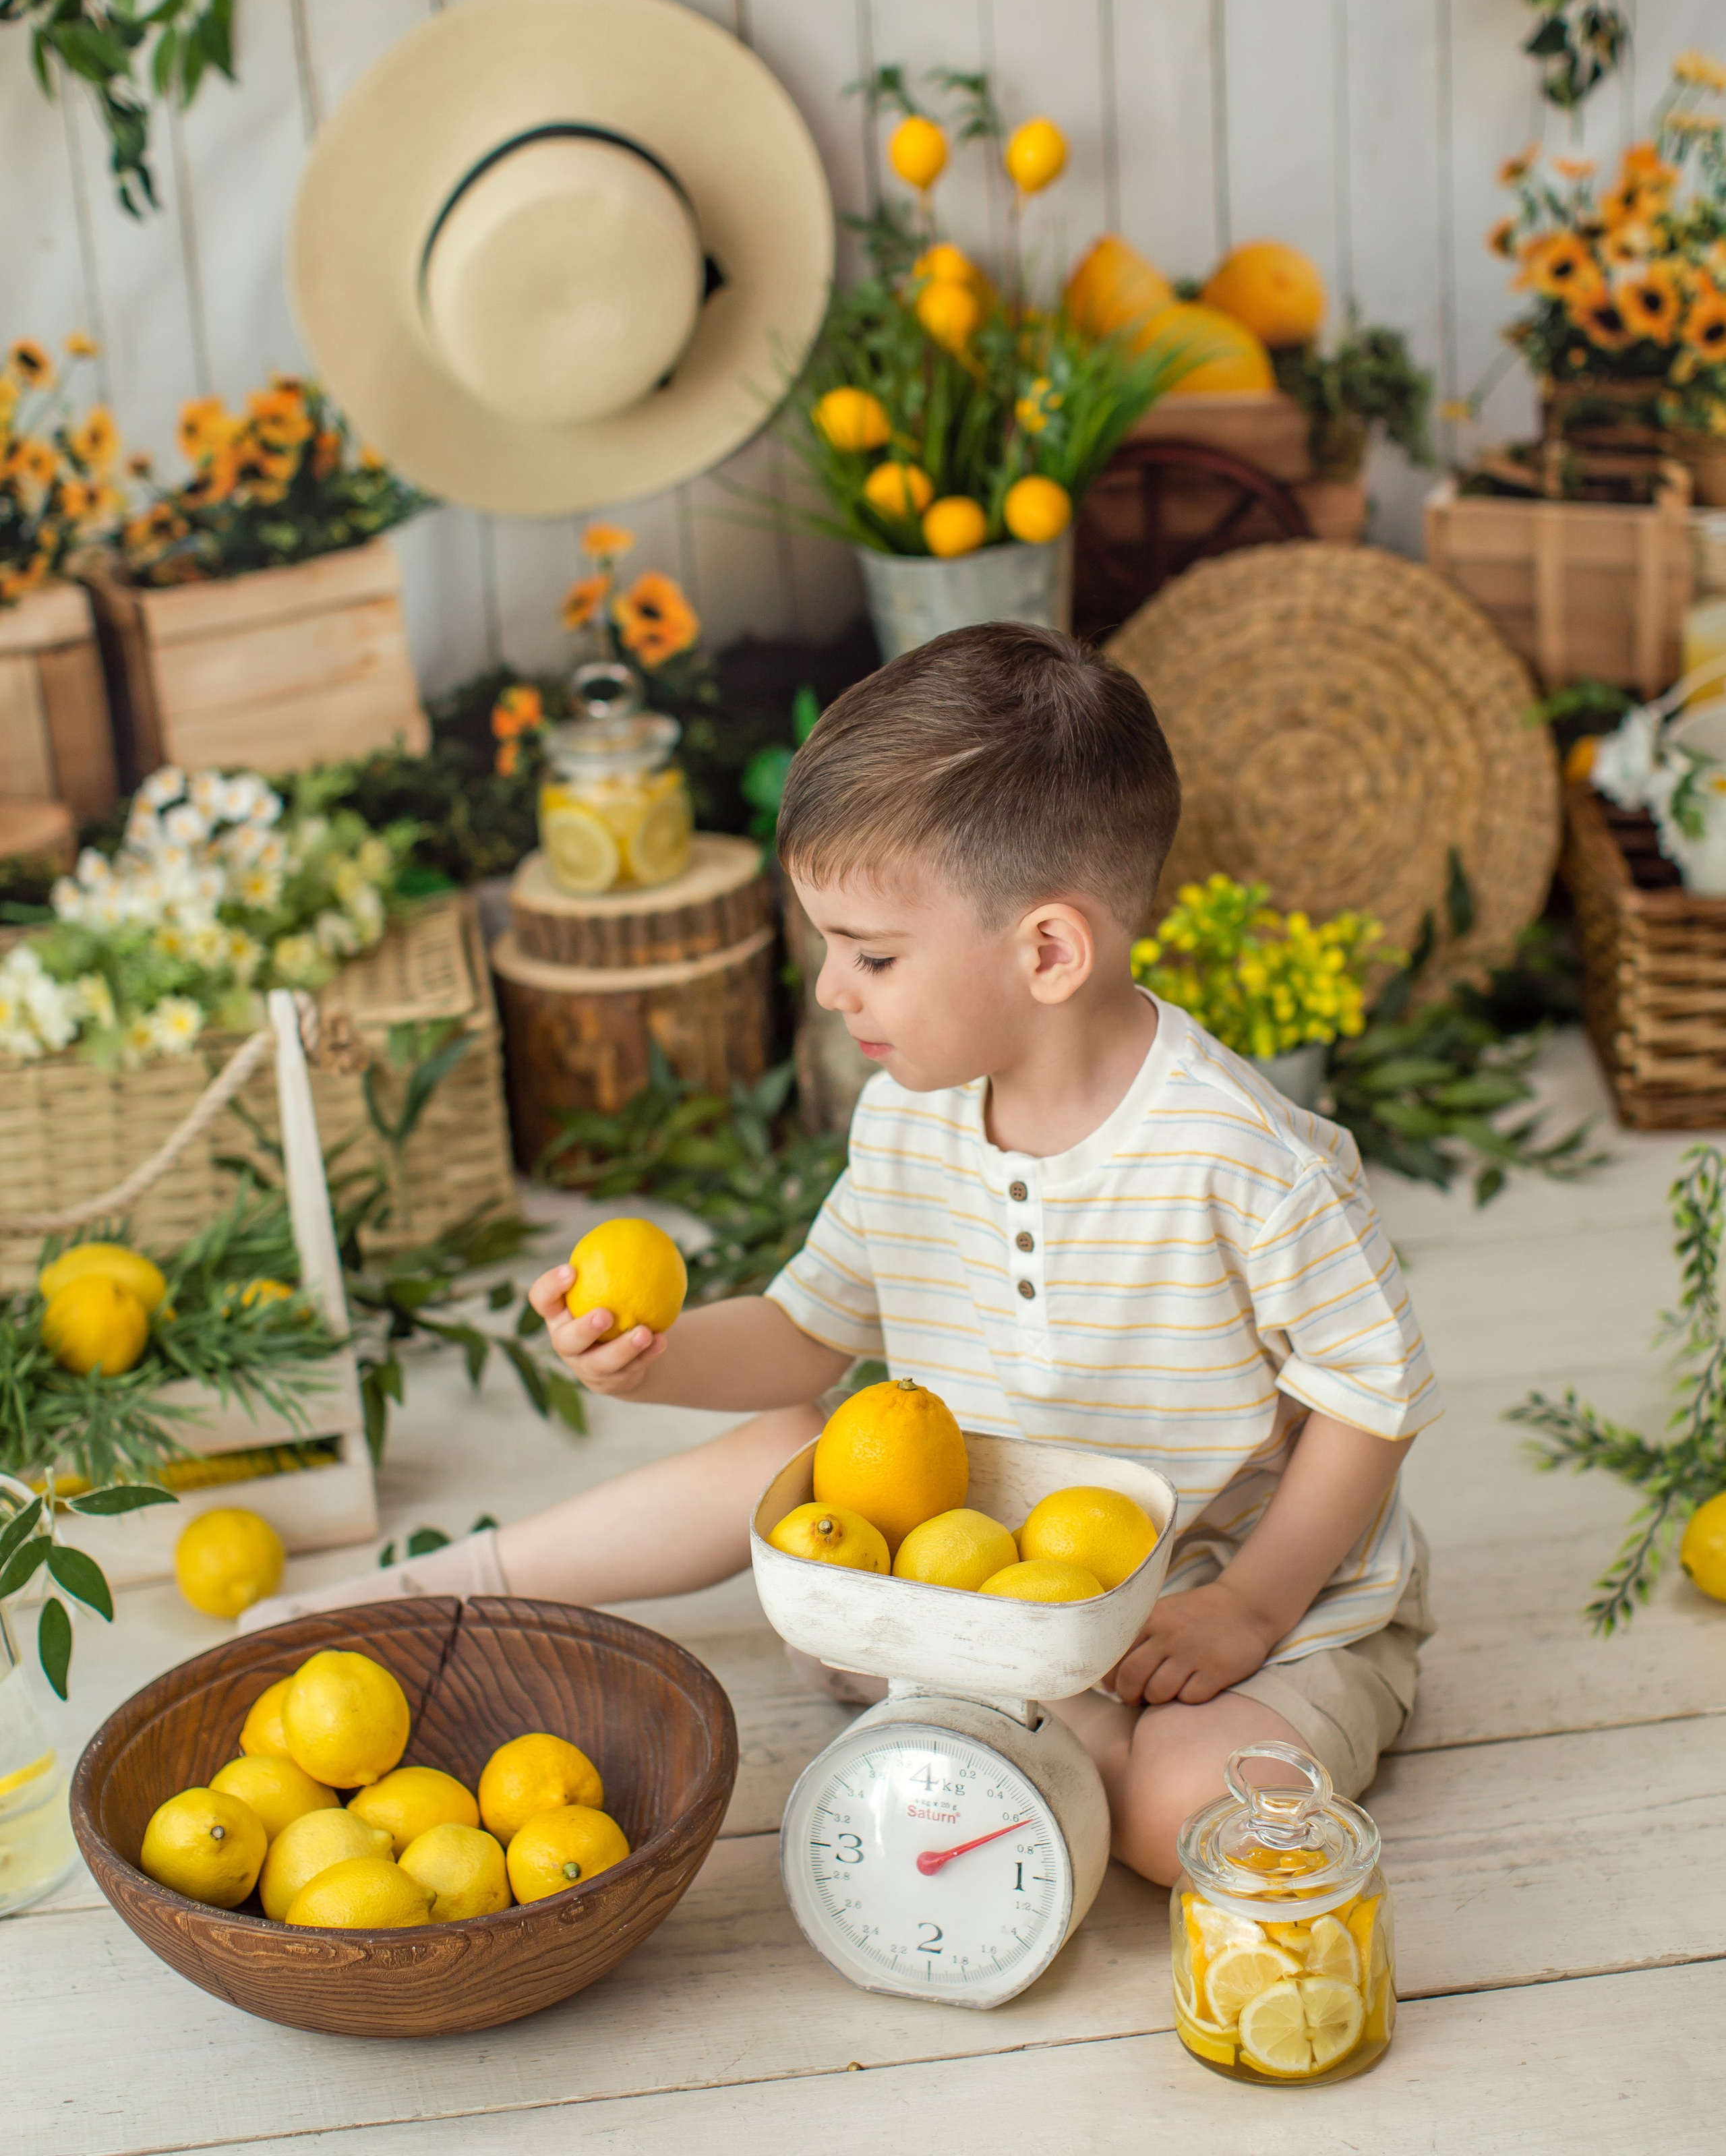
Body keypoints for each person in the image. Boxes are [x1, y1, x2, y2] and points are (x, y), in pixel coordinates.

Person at [245, 623, 1439, 1884]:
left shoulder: (1241, 1156)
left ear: (1047, 951)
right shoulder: (911, 1115)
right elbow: (810, 1331)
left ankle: (1050, 1723)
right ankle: (441, 1599)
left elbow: (1370, 1392)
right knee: (785, 1455)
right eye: (829, 947)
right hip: (980, 1572)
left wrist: (1251, 1607)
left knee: (1176, 1824)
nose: (830, 990)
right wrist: (650, 1361)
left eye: (871, 956)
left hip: (1239, 1601)